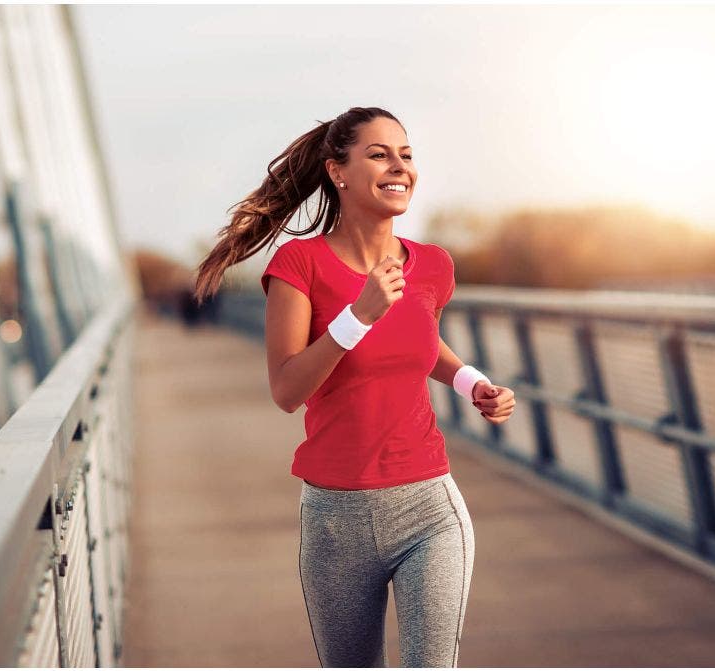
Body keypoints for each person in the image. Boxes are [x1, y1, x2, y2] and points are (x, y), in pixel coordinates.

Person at [193, 106, 516, 667]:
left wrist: (473, 383)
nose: (400, 166)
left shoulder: (433, 265)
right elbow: (287, 388)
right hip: (335, 519)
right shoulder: (300, 264)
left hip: (429, 507)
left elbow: (418, 344)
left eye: (406, 154)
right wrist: (356, 316)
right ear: (337, 170)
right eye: (379, 153)